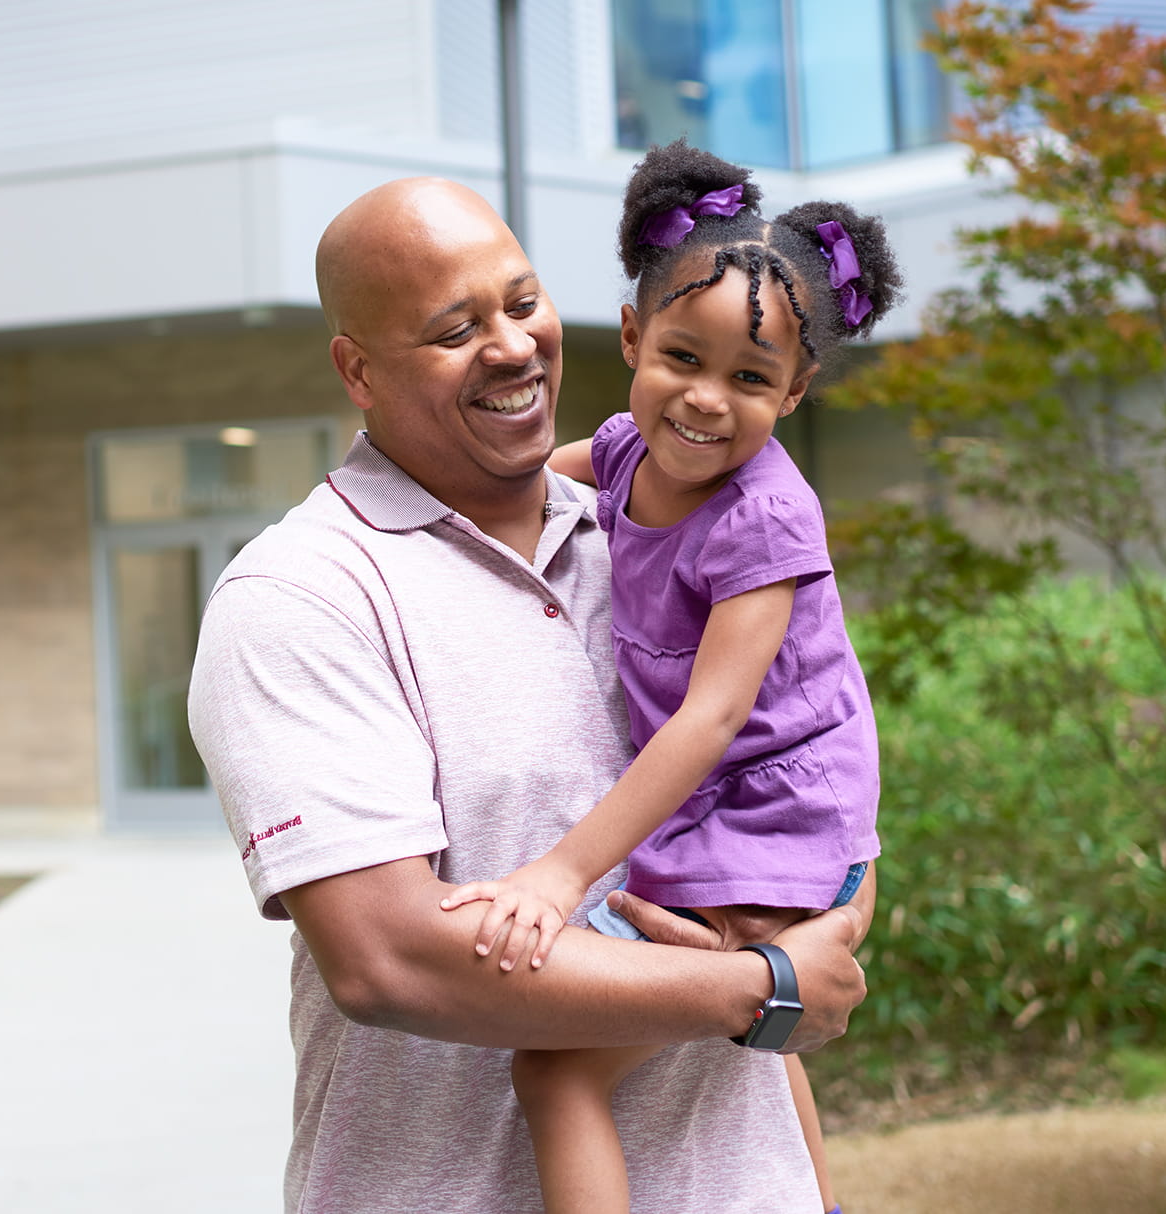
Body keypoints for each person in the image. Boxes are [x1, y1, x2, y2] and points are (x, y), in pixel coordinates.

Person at [186, 173, 875, 1214]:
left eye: (521, 301)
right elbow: (386, 960)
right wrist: (761, 986)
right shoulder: (304, 595)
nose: (511, 346)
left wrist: (824, 930)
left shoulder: (678, 524)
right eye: (454, 328)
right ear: (357, 368)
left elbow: (813, 779)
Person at [436, 140, 901, 1214]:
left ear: (796, 391)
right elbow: (529, 477)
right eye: (682, 358)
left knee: (555, 1067)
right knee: (755, 1021)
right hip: (737, 815)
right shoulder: (625, 450)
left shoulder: (766, 516)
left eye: (750, 377)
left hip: (774, 821)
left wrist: (557, 875)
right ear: (634, 338)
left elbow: (712, 717)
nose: (705, 400)